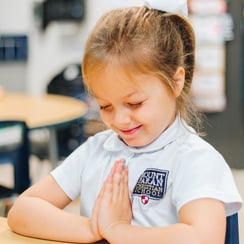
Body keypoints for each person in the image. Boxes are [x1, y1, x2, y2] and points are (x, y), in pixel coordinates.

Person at [8, 1, 242, 243]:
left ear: (176, 82)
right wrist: (94, 229)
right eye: (105, 106)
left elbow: (203, 237)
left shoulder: (195, 160)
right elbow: (22, 210)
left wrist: (119, 231)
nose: (119, 120)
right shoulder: (97, 150)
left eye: (135, 103)